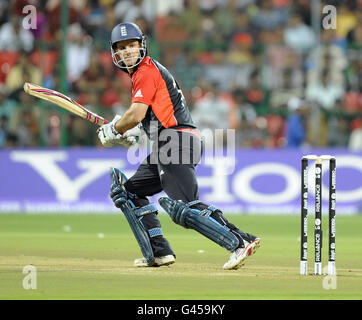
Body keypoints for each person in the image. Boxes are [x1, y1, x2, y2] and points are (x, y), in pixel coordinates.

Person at [97, 22, 260, 270]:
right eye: (122, 47)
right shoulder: (145, 74)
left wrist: (115, 128)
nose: (128, 51)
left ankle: (237, 243)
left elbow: (136, 114)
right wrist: (126, 134)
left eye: (132, 45)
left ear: (142, 46)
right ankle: (159, 251)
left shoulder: (145, 71)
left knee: (185, 207)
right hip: (169, 143)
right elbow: (150, 119)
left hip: (174, 141)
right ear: (114, 53)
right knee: (129, 193)